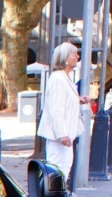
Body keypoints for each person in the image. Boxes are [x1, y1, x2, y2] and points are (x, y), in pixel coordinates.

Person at [36, 42, 88, 179]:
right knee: (58, 167)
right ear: (65, 58)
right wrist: (62, 134)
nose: (77, 56)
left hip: (65, 134)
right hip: (60, 135)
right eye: (74, 54)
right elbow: (55, 108)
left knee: (63, 167)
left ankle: (57, 195)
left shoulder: (64, 78)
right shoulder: (58, 79)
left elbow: (63, 100)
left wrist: (78, 100)